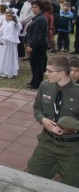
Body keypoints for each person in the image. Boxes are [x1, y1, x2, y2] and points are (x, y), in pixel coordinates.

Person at [26, 56, 79, 187]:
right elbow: (37, 109)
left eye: (50, 71)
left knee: (73, 183)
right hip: (47, 142)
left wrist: (73, 128)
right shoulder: (45, 86)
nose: (46, 73)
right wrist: (43, 119)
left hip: (71, 147)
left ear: (61, 73)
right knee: (32, 175)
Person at [26, 0, 49, 89]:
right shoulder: (37, 17)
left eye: (36, 7)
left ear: (41, 8)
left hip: (39, 45)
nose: (34, 9)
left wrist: (30, 45)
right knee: (34, 63)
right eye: (33, 7)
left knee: (38, 64)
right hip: (36, 44)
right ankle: (34, 80)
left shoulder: (41, 19)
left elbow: (37, 35)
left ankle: (37, 82)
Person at [0, 10, 21, 78]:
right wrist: (0, 39)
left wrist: (4, 41)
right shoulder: (7, 23)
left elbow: (9, 34)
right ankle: (5, 70)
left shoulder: (12, 24)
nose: (7, 17)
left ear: (12, 17)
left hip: (9, 43)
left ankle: (8, 71)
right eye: (6, 15)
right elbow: (1, 31)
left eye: (9, 16)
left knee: (8, 57)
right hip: (6, 42)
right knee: (5, 56)